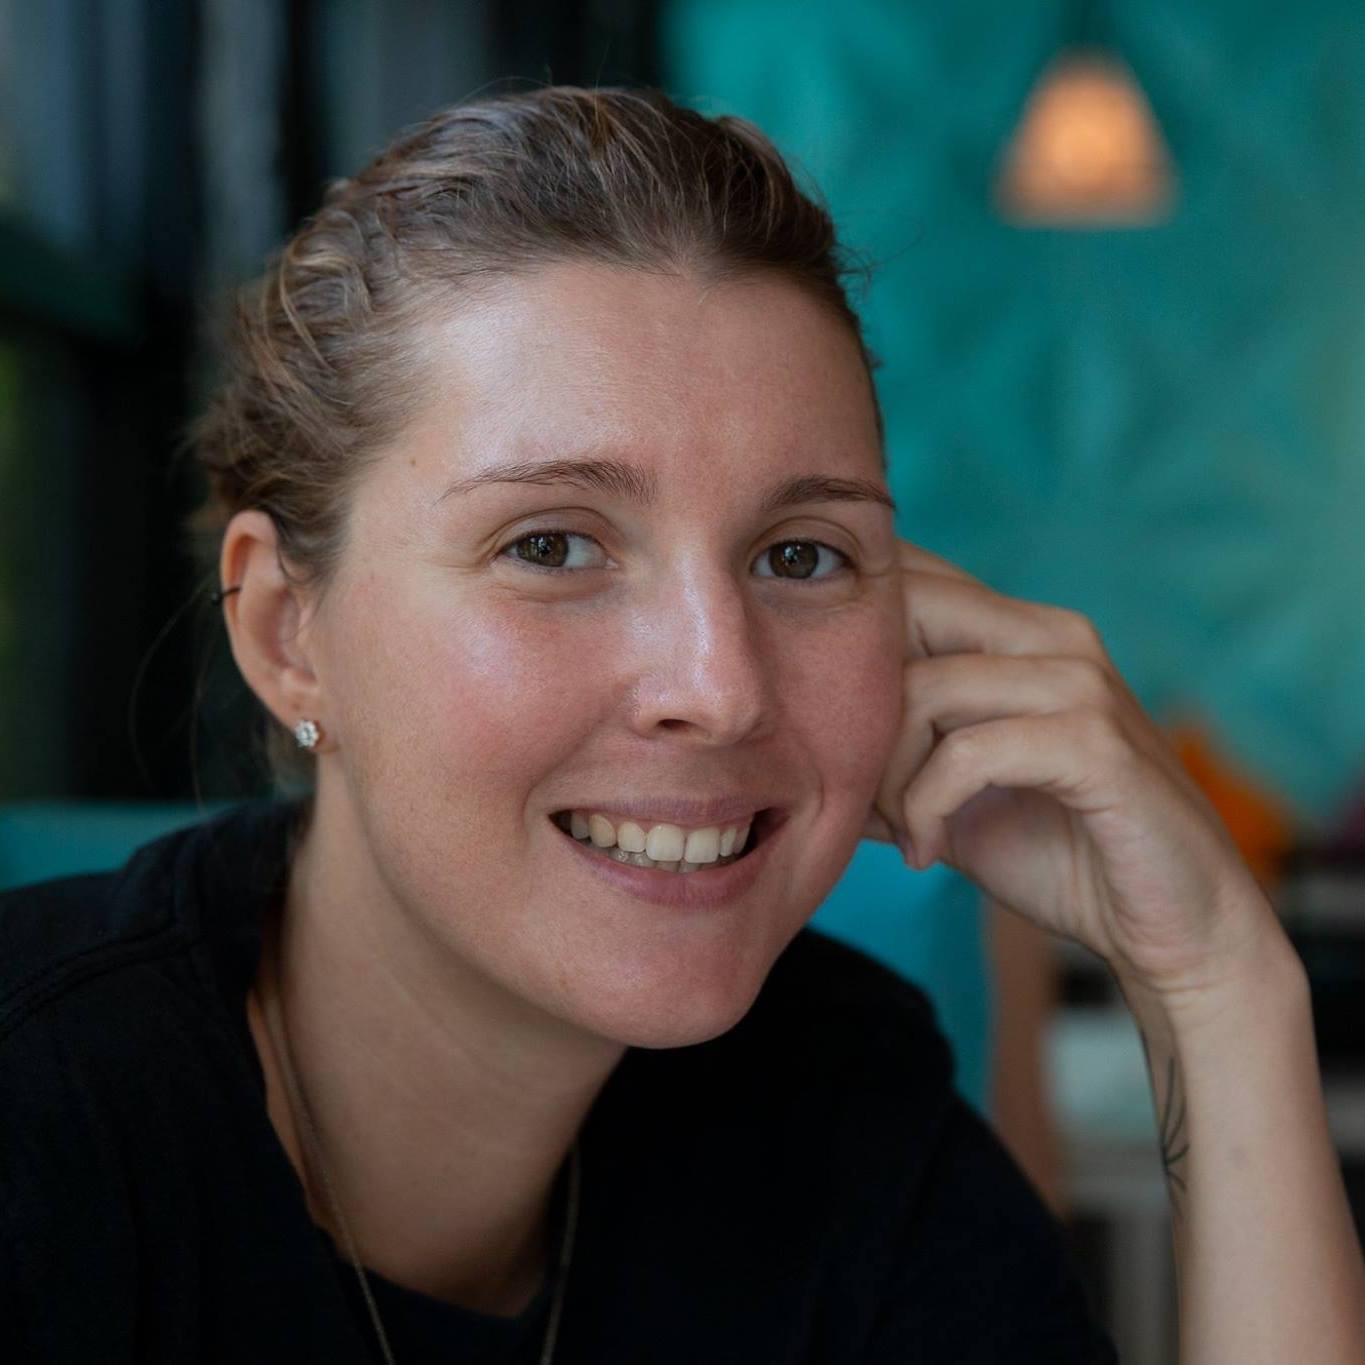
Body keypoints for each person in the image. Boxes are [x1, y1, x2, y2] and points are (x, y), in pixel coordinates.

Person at [2, 87, 1361, 1364]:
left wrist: (1222, 987)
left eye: (798, 556)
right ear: (286, 634)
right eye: (550, 545)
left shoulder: (836, 1117)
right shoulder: (42, 1124)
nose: (721, 686)